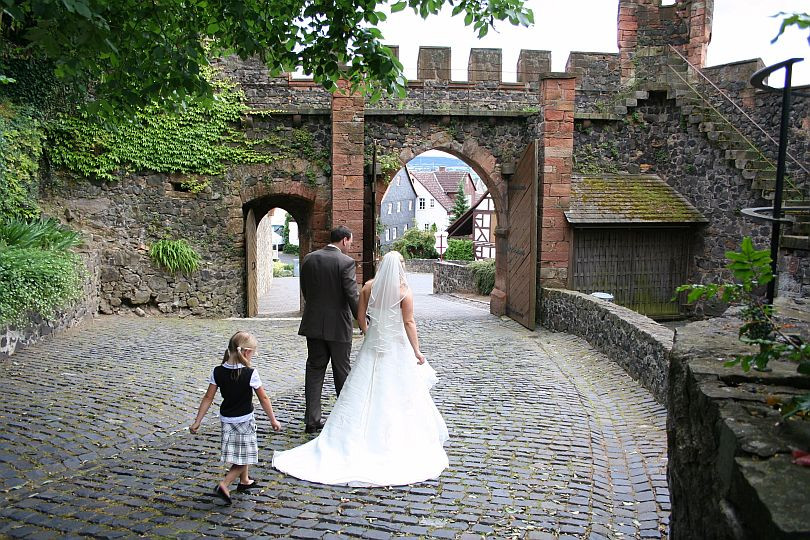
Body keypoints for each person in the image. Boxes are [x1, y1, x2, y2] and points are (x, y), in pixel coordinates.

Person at [272, 251, 449, 486]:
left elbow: (360, 316)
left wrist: (369, 333)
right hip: (396, 347)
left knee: (362, 387)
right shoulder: (404, 292)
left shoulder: (368, 287)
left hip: (373, 345)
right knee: (399, 392)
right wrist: (416, 350)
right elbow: (409, 322)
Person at [189, 331, 282, 505]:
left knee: (240, 452)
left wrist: (198, 421)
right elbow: (263, 398)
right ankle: (224, 485)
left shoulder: (217, 371)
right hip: (244, 420)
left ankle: (244, 481)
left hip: (226, 420)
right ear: (246, 352)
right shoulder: (250, 373)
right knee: (244, 456)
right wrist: (273, 420)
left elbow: (208, 398)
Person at [298, 225, 359, 433]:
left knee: (314, 370)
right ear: (343, 240)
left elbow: (305, 290)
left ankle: (312, 420)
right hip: (339, 327)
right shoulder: (346, 262)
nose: (351, 245)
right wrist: (363, 321)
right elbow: (352, 296)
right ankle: (345, 419)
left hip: (313, 324)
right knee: (342, 372)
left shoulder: (309, 259)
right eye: (350, 241)